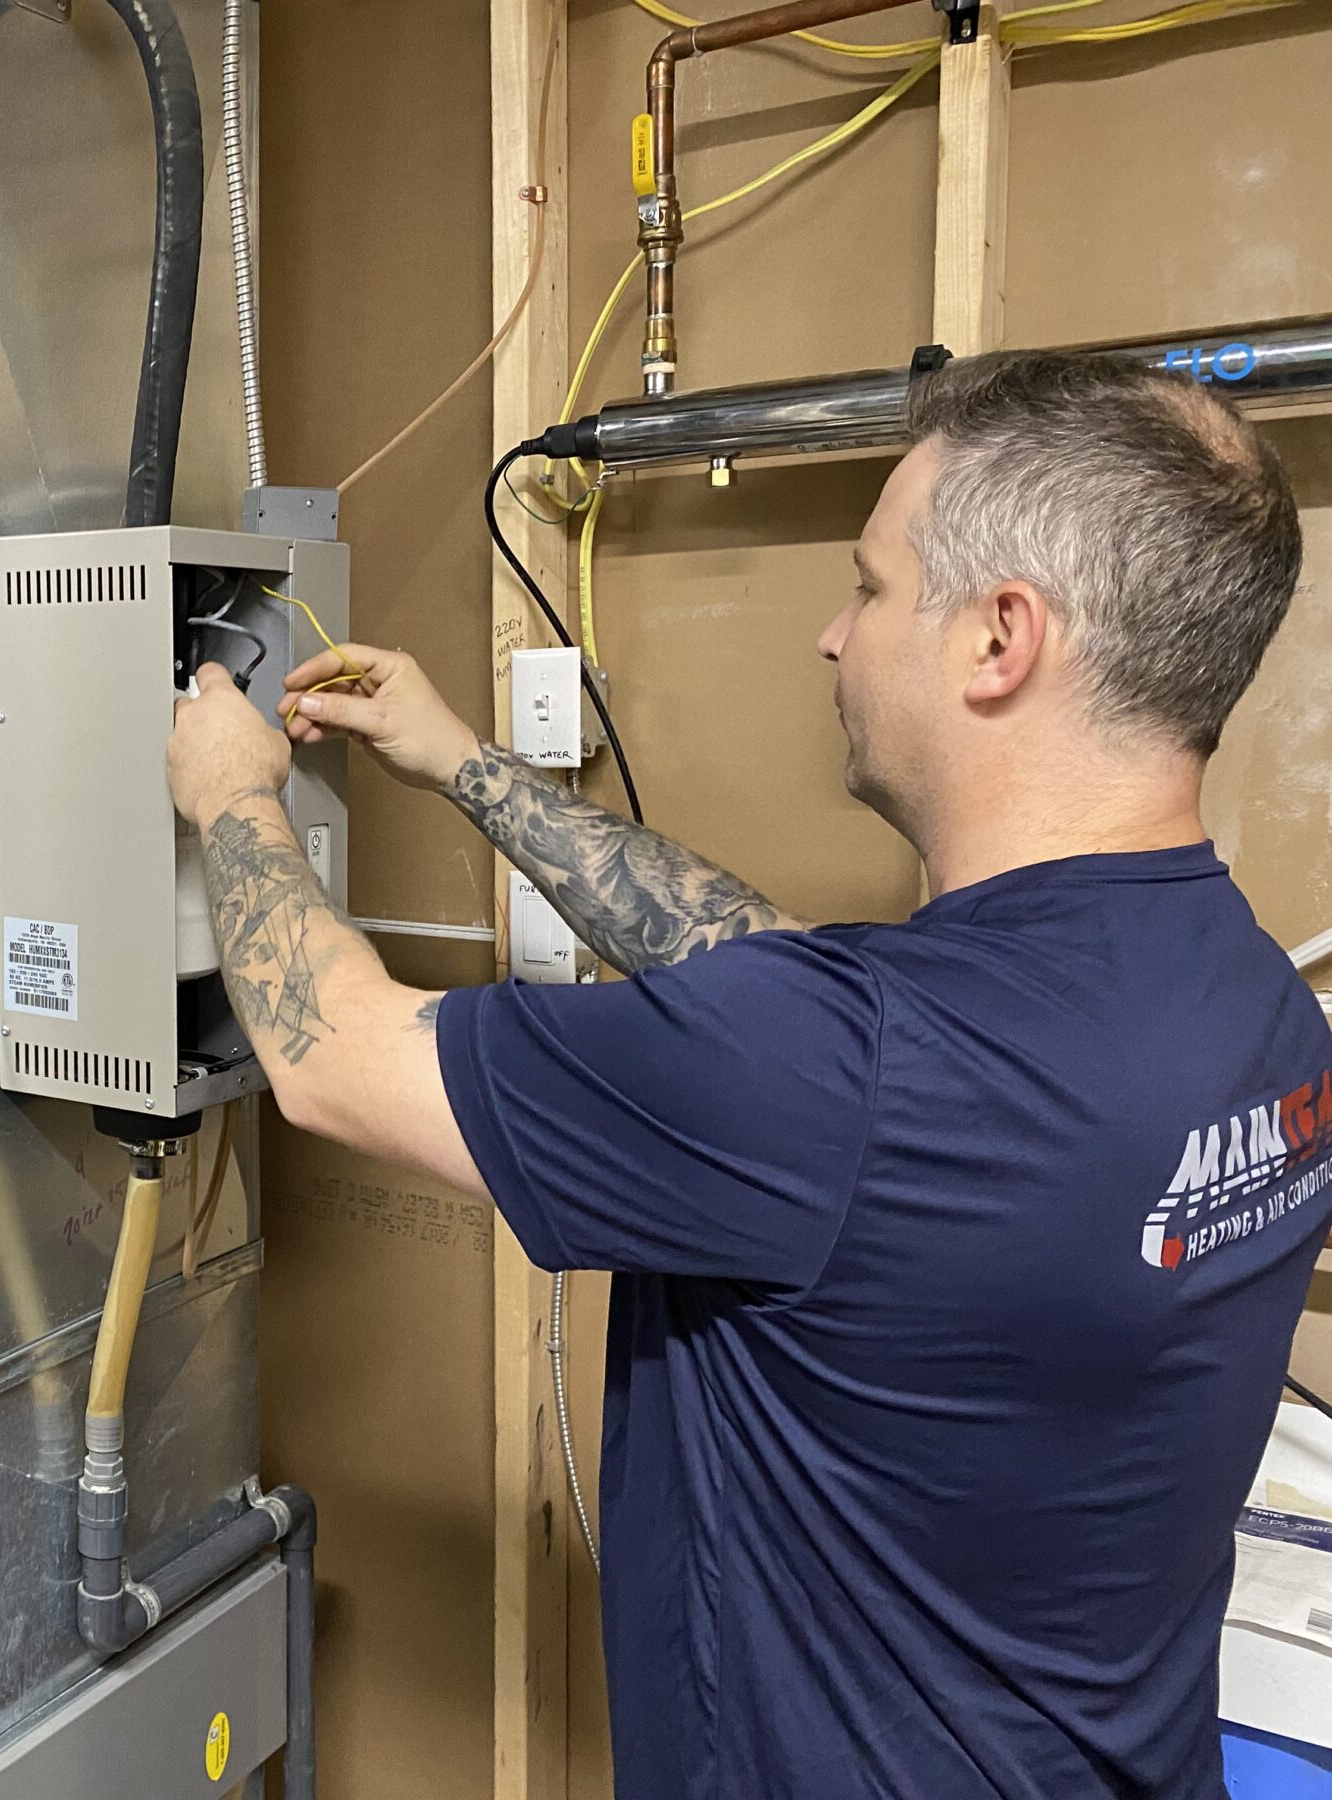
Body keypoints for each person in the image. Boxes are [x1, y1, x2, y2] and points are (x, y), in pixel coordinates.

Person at [163, 350, 1327, 1800]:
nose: (836, 638)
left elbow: (331, 1059)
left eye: (873, 588)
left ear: (1000, 638)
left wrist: (231, 791)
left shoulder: (845, 1070)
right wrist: (463, 762)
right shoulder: (1259, 1012)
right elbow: (767, 970)